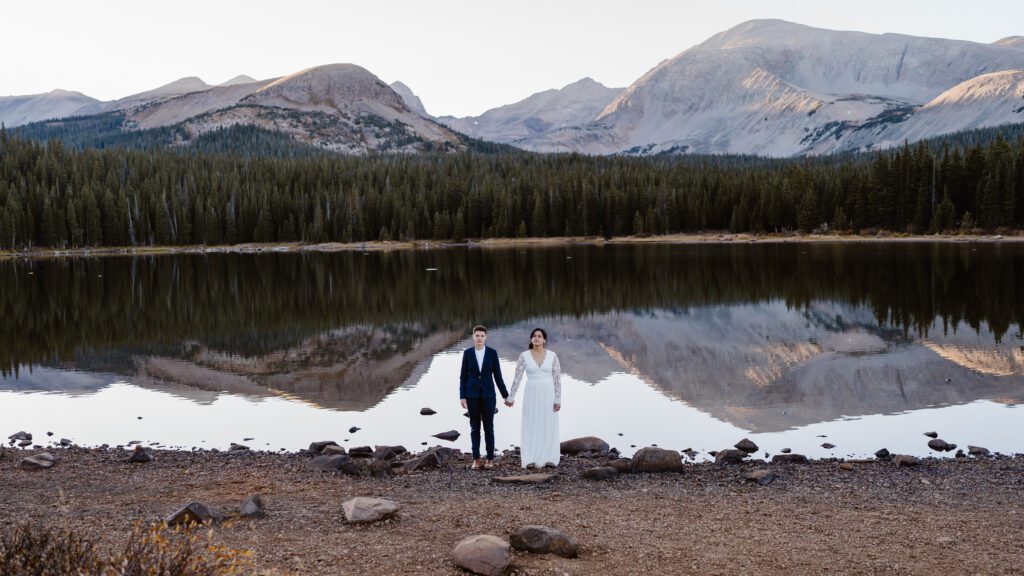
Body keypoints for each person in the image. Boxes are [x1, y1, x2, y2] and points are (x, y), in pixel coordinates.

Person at [504, 327, 561, 468]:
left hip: (548, 394)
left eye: (539, 336)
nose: (536, 338)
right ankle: (530, 458)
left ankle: (549, 458)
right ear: (531, 339)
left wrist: (558, 399)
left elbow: (557, 379)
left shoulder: (552, 356)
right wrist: (510, 397)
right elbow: (517, 378)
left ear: (544, 340)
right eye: (534, 336)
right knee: (531, 423)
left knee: (548, 424)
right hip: (531, 393)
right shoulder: (524, 355)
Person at [459, 324, 509, 470]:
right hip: (472, 395)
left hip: (488, 396)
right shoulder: (467, 353)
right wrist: (462, 396)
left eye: (482, 336)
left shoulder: (492, 353)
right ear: (473, 337)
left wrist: (506, 396)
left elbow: (498, 376)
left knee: (489, 428)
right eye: (477, 336)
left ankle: (489, 459)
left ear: (485, 337)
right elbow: (463, 376)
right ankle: (476, 459)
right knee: (474, 428)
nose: (479, 338)